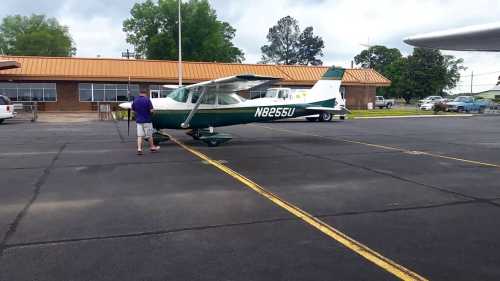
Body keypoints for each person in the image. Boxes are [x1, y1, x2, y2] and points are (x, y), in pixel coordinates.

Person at [132, 90, 160, 155]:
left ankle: (139, 149)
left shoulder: (135, 100)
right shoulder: (147, 100)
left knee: (139, 136)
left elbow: (133, 111)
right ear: (145, 94)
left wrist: (137, 115)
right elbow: (151, 110)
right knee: (149, 135)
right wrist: (152, 114)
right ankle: (152, 147)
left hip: (139, 121)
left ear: (140, 94)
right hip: (148, 121)